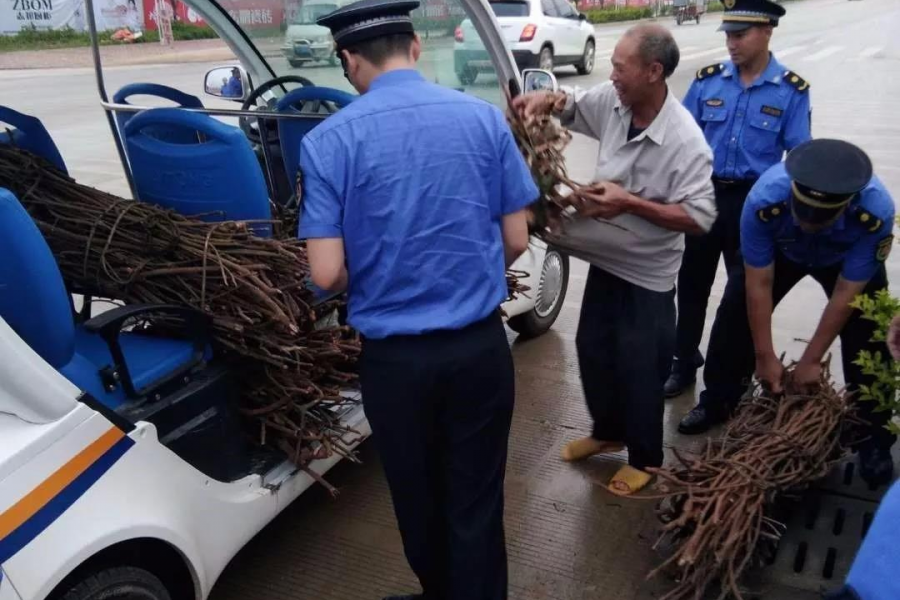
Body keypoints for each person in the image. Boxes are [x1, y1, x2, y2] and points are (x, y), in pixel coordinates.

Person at [300, 0, 537, 598]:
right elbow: (516, 238)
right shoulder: (483, 120)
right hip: (479, 350)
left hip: (395, 365)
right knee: (475, 500)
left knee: (417, 495)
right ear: (415, 48)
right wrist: (468, 276)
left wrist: (380, 275)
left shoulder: (327, 142)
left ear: (350, 61)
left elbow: (325, 273)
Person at [512, 24, 716, 496]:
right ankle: (608, 432)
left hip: (648, 273)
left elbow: (700, 217)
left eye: (621, 68)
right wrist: (545, 101)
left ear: (654, 71)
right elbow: (573, 103)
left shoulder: (685, 141)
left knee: (640, 366)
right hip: (607, 259)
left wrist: (630, 203)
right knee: (594, 350)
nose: (612, 75)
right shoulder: (614, 101)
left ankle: (645, 458)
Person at [677, 138, 895, 485]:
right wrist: (764, 357)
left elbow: (846, 293)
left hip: (844, 259)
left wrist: (811, 361)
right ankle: (719, 400)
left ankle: (874, 438)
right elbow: (759, 284)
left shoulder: (875, 213)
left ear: (847, 205)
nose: (808, 223)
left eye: (820, 219)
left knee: (870, 333)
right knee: (734, 314)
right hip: (783, 250)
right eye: (803, 213)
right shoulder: (765, 200)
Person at [666, 0, 811, 401]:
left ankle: (735, 375)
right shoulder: (708, 81)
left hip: (754, 203)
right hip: (705, 195)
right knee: (691, 284)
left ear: (766, 31)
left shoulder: (791, 91)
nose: (731, 43)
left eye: (740, 35)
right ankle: (683, 361)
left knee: (745, 294)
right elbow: (681, 137)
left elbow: (798, 158)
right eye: (728, 35)